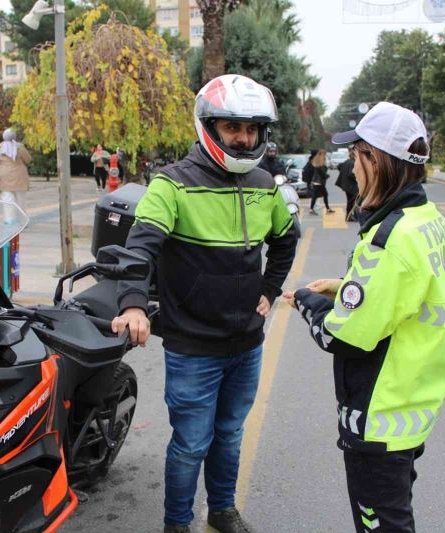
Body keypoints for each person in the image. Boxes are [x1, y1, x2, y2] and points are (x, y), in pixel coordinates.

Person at [111, 74, 297, 533]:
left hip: (246, 343)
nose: (245, 137)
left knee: (230, 434)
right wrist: (134, 303)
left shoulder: (263, 184)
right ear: (208, 127)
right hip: (193, 344)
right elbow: (139, 248)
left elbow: (286, 240)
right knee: (192, 442)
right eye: (233, 127)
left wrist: (269, 291)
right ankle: (177, 523)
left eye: (253, 129)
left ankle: (221, 509)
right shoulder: (172, 185)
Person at [282, 102, 445, 533]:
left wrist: (306, 299)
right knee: (396, 511)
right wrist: (345, 287)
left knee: (383, 524)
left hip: (379, 418)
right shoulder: (429, 222)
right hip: (412, 404)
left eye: (356, 155)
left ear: (375, 161)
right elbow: (403, 299)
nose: (351, 167)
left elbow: (342, 336)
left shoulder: (388, 241)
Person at [0, 128, 32, 215]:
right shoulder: (20, 147)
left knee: (7, 197)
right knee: (20, 198)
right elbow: (28, 159)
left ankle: (9, 219)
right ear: (14, 136)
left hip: (4, 174)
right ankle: (22, 219)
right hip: (19, 174)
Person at [306, 148, 333, 214]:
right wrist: (327, 176)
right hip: (319, 182)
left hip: (316, 182)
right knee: (324, 194)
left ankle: (312, 209)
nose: (325, 156)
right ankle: (327, 209)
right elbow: (321, 173)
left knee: (315, 196)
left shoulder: (317, 161)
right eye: (324, 154)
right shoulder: (320, 162)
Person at [335, 150, 360, 221]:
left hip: (346, 185)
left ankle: (349, 216)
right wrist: (358, 176)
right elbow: (351, 174)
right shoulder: (352, 163)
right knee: (353, 201)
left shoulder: (347, 161)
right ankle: (350, 216)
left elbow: (339, 166)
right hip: (351, 186)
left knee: (350, 201)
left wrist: (343, 172)